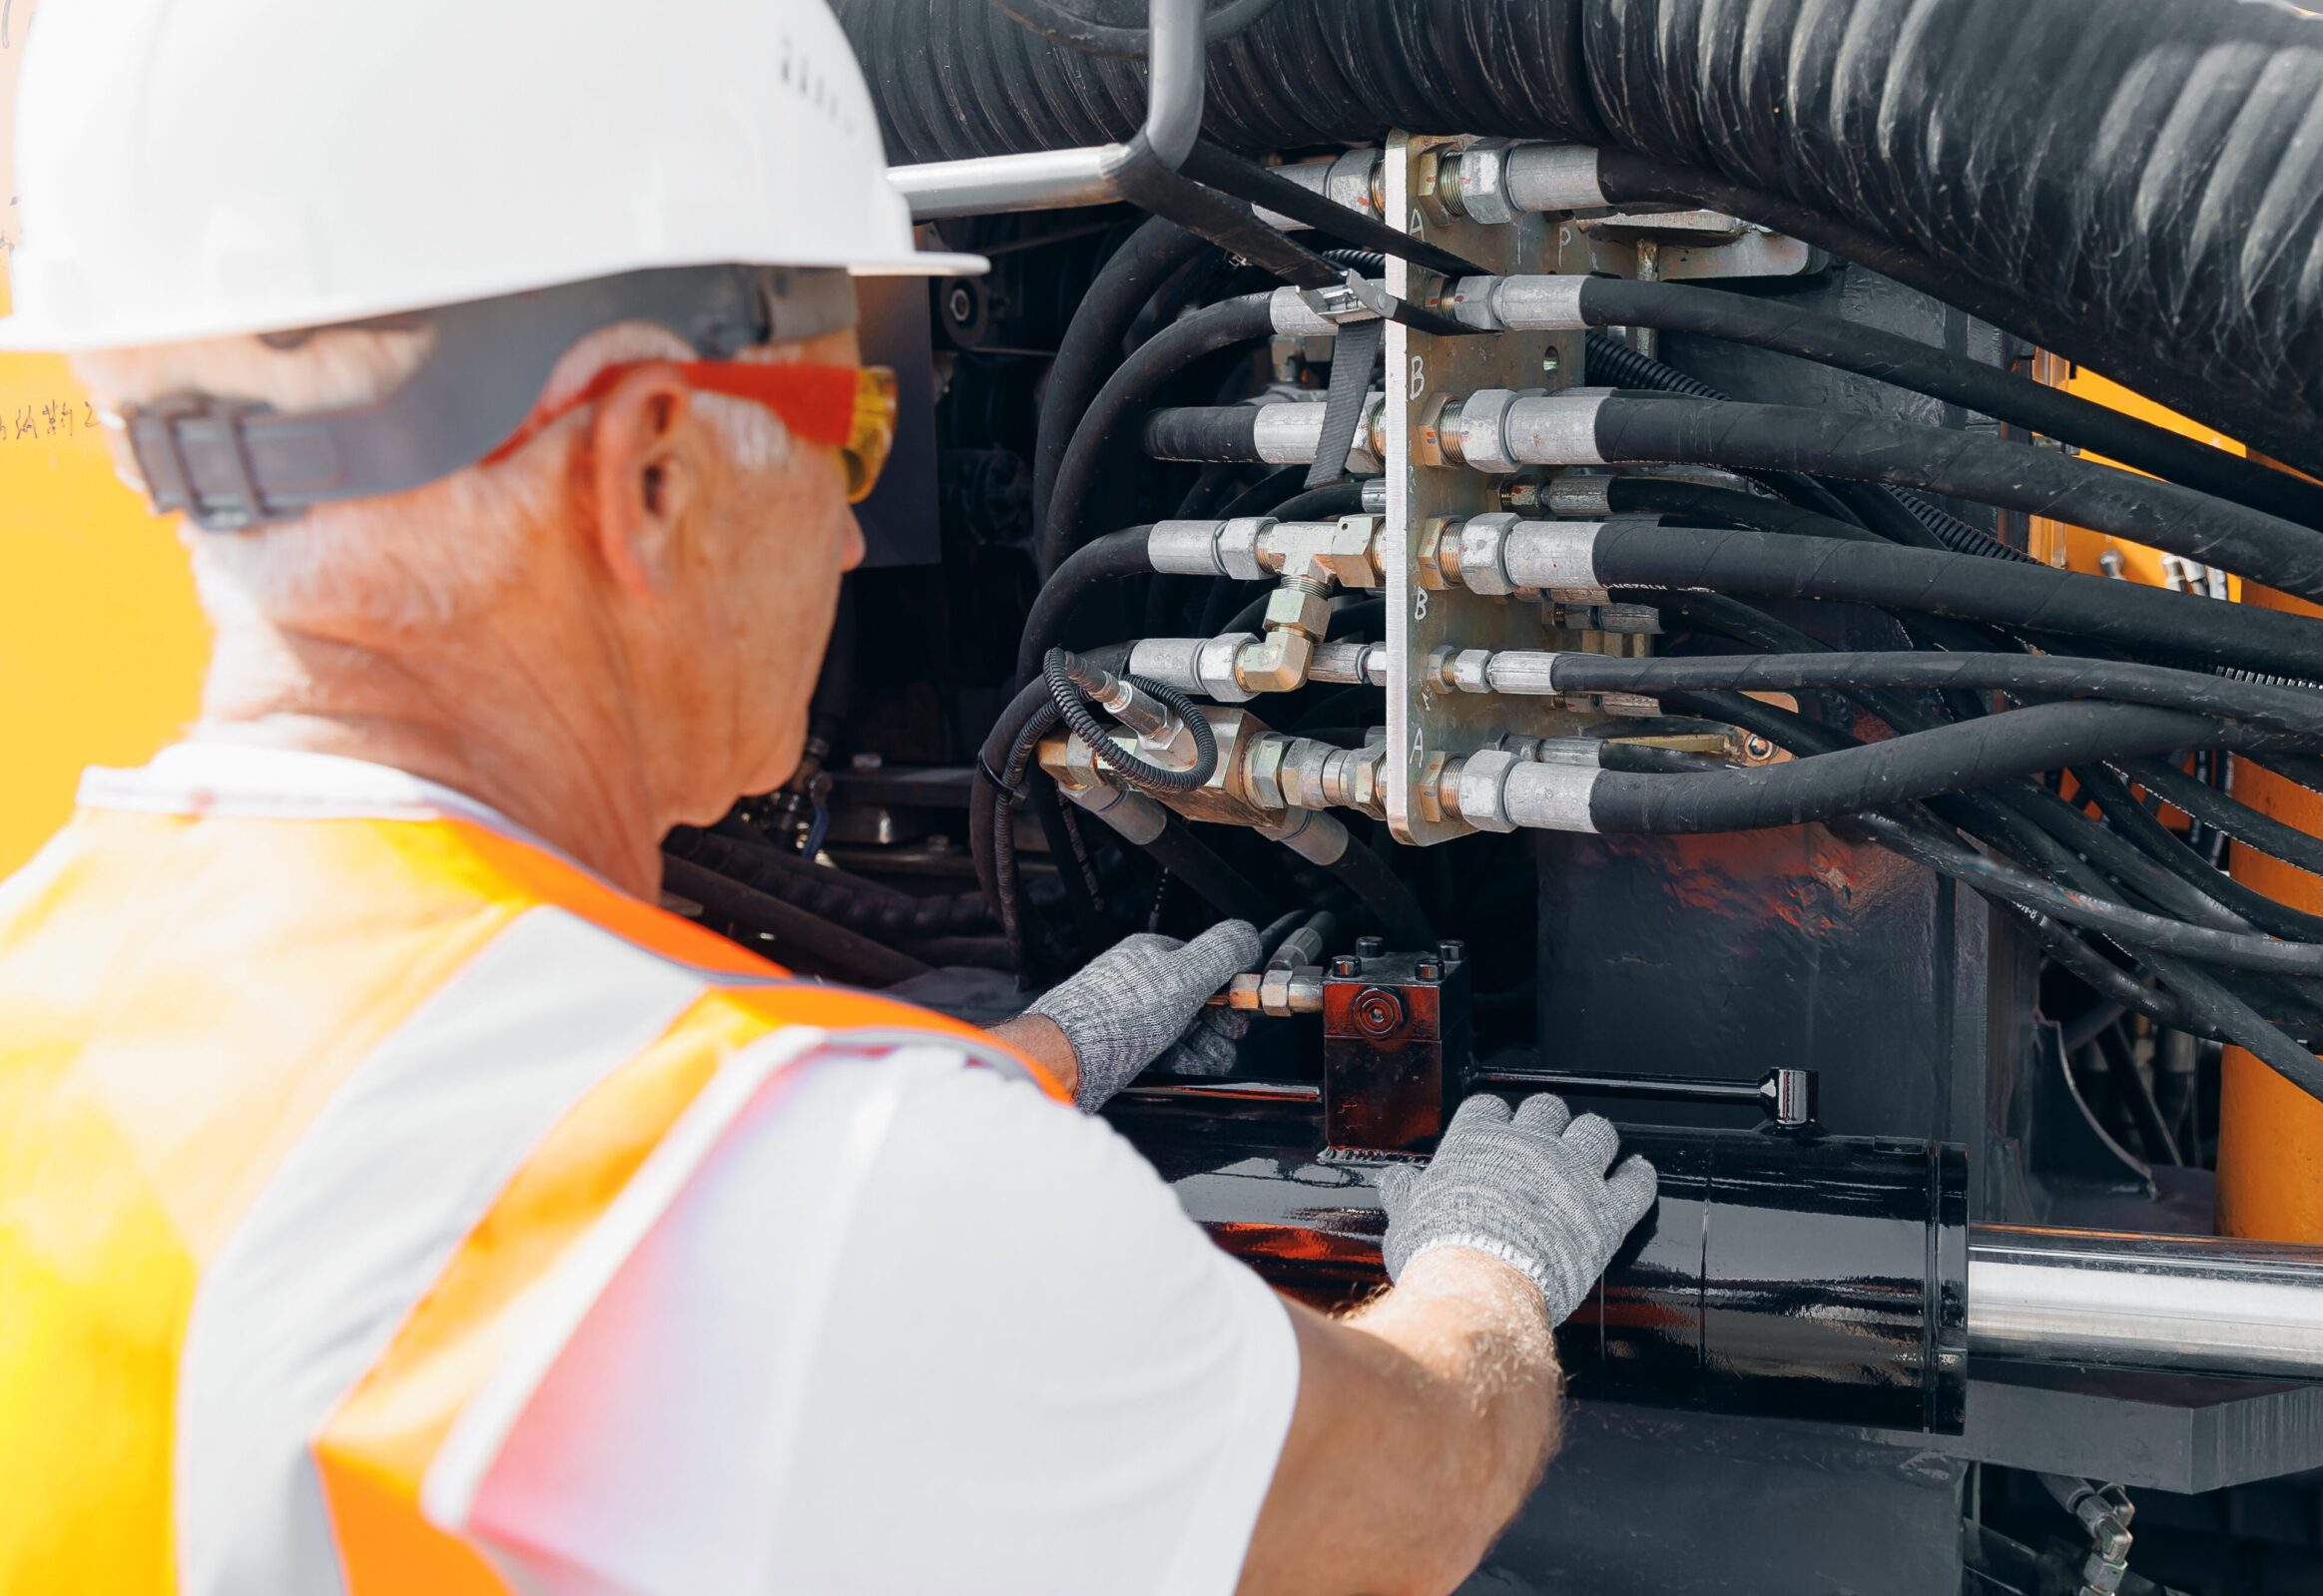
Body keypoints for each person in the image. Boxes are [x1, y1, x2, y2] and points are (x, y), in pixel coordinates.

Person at [0, 1, 1658, 1592]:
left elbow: (425, 1169)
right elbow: (1395, 1507)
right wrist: (1492, 1269)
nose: (856, 532)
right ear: (647, 472)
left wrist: (1013, 1067)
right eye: (852, 426)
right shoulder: (823, 1207)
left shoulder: (52, 977)